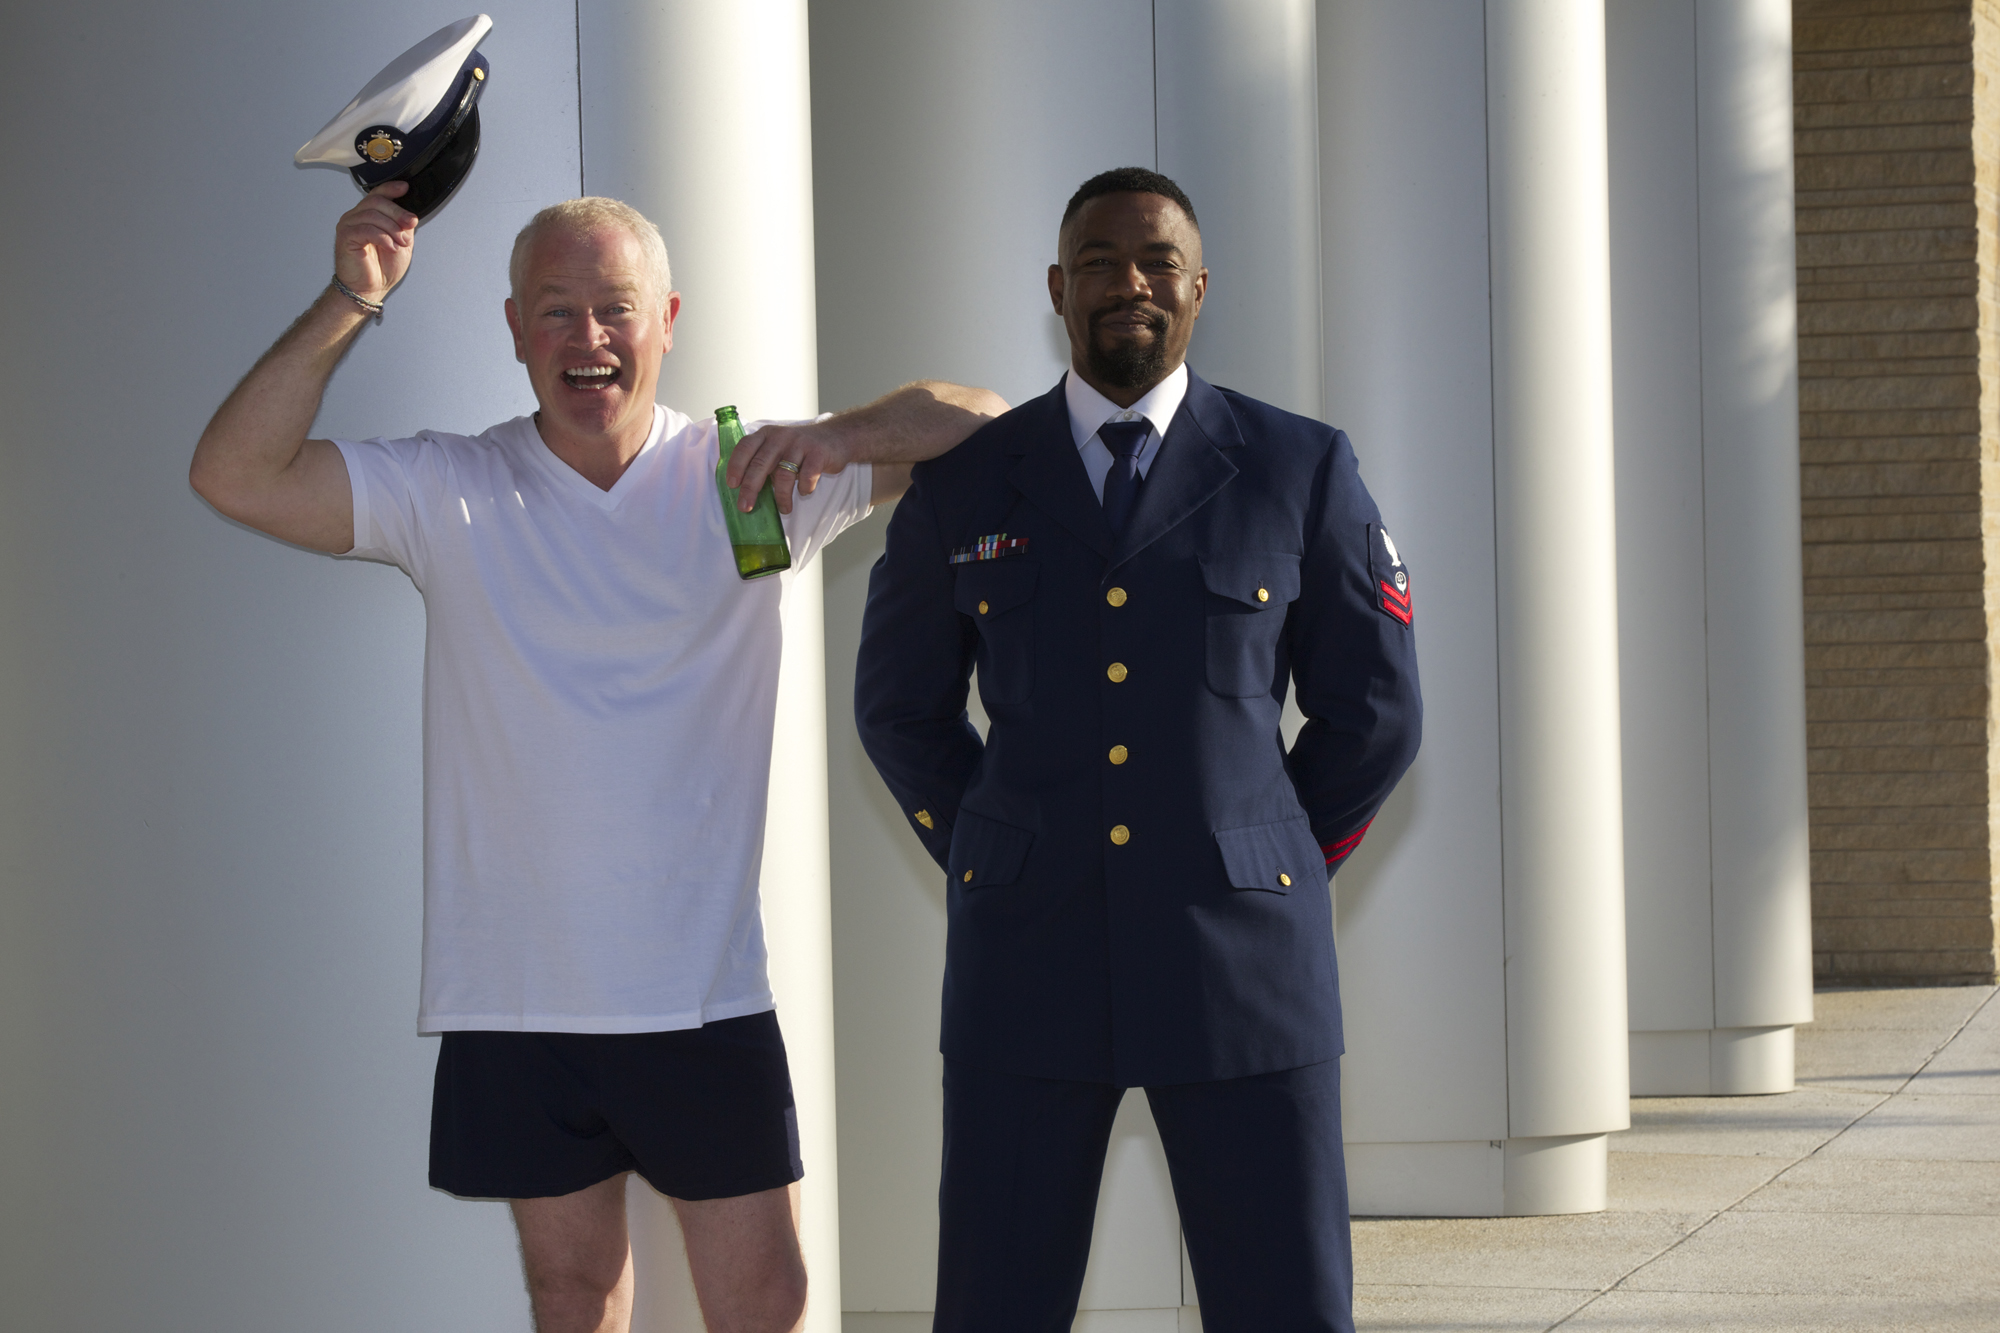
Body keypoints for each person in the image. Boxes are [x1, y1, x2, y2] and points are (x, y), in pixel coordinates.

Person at [190, 183, 1005, 1333]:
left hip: (701, 990)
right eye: (557, 311)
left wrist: (836, 438)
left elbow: (987, 418)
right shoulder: (449, 487)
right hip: (517, 996)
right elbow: (235, 472)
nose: (589, 339)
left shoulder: (749, 479)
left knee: (766, 1298)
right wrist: (348, 298)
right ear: (514, 330)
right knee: (573, 1295)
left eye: (615, 308)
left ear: (667, 318)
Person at [853, 167, 1422, 1332]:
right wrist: (988, 845)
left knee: (1286, 1309)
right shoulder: (968, 481)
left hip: (1242, 976)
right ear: (1056, 289)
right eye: (1101, 262)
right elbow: (898, 708)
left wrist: (1269, 857)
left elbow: (1373, 709)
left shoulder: (1295, 466)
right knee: (995, 1307)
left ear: (1199, 288)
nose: (1130, 284)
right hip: (1028, 965)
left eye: (1156, 261)